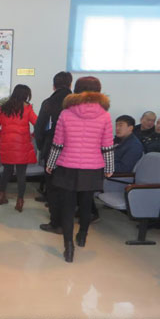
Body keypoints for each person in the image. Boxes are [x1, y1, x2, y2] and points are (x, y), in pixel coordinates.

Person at [46, 76, 114, 263]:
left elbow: (57, 144)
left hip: (67, 166)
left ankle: (68, 247)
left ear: (76, 90)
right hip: (92, 168)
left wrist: (50, 164)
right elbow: (107, 145)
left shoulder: (65, 113)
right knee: (86, 204)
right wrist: (109, 167)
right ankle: (82, 235)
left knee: (67, 208)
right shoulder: (104, 115)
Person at [35, 71, 72, 234]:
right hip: (73, 153)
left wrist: (42, 147)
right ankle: (68, 222)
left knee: (53, 188)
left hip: (52, 149)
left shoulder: (49, 103)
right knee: (68, 189)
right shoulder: (76, 103)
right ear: (70, 84)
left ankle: (56, 223)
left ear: (53, 85)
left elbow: (39, 128)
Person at [0, 84, 37, 212]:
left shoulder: (4, 108)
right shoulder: (27, 109)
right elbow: (37, 123)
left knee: (6, 171)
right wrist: (32, 135)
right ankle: (20, 201)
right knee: (21, 174)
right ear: (25, 95)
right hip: (22, 145)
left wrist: (2, 136)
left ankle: (1, 195)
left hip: (6, 145)